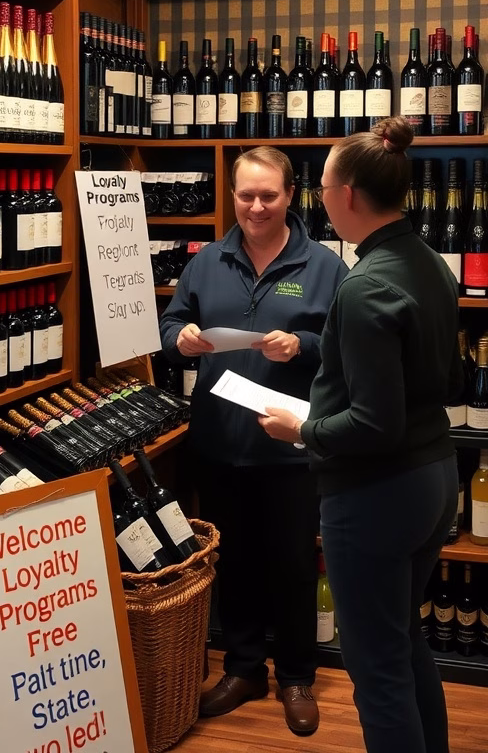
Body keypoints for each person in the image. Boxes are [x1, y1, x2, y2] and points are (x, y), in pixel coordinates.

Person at [260, 117, 462, 753]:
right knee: (402, 641)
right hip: (434, 479)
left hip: (378, 495)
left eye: (321, 188)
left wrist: (304, 428)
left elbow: (375, 423)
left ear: (348, 195)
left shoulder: (366, 284)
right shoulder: (427, 263)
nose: (319, 200)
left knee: (375, 669)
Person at [160, 146, 347, 736]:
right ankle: (243, 669)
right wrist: (180, 338)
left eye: (269, 195)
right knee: (232, 562)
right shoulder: (208, 260)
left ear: (292, 195)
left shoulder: (323, 266)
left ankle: (295, 675)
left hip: (290, 448)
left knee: (292, 564)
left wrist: (303, 346)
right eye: (246, 195)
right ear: (233, 195)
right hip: (217, 443)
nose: (257, 206)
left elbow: (344, 350)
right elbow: (169, 324)